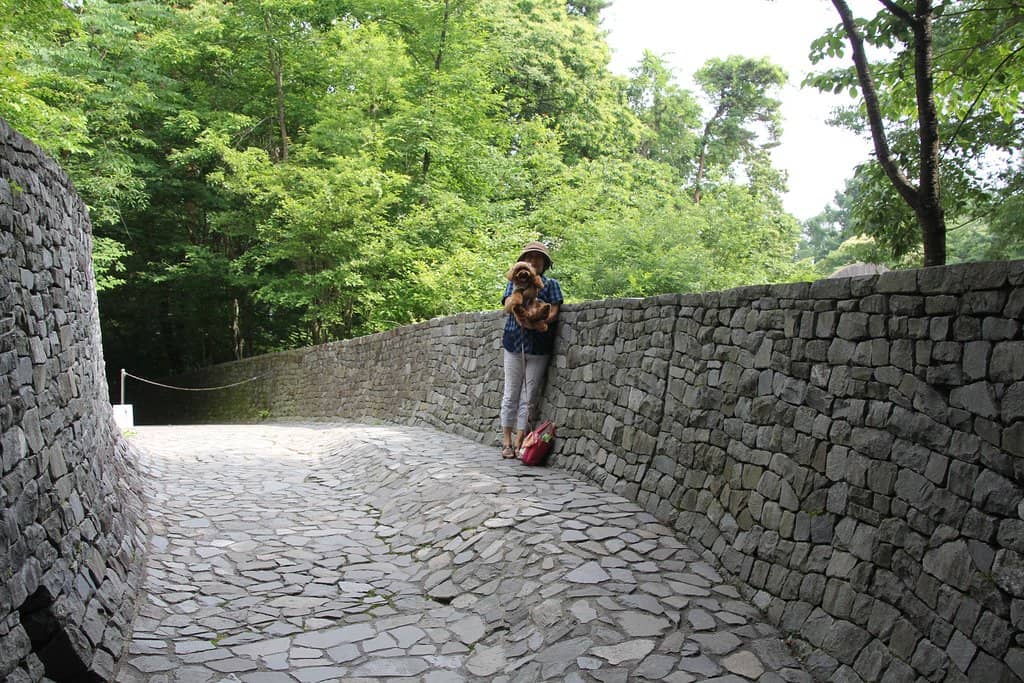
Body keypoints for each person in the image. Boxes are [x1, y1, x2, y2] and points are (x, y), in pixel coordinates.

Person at [500, 241, 563, 458]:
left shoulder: (551, 285)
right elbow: (508, 306)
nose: (534, 261)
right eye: (530, 257)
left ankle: (520, 441)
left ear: (545, 263)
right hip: (513, 342)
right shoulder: (516, 282)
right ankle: (506, 441)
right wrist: (519, 301)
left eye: (539, 258)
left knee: (529, 396)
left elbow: (554, 312)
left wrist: (536, 319)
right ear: (523, 261)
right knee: (511, 393)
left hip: (538, 346)